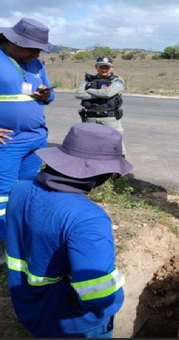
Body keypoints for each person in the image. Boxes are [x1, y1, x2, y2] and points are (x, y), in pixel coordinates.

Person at [5, 123, 133, 338]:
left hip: (30, 310)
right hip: (74, 325)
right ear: (101, 174)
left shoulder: (20, 189)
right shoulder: (88, 219)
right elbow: (100, 296)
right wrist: (115, 299)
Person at [0, 17, 55, 266]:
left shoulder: (35, 62)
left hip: (36, 139)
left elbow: (48, 95)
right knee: (2, 196)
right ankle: (4, 245)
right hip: (7, 143)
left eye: (39, 49)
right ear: (12, 40)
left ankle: (21, 236)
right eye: (31, 47)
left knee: (26, 191)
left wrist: (46, 94)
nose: (35, 53)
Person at [75, 54, 126, 156]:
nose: (104, 69)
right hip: (91, 118)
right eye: (101, 67)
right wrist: (100, 94)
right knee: (91, 145)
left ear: (111, 68)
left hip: (110, 118)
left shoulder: (117, 80)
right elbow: (79, 94)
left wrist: (89, 90)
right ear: (96, 67)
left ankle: (119, 168)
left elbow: (108, 93)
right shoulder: (88, 80)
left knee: (116, 144)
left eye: (107, 67)